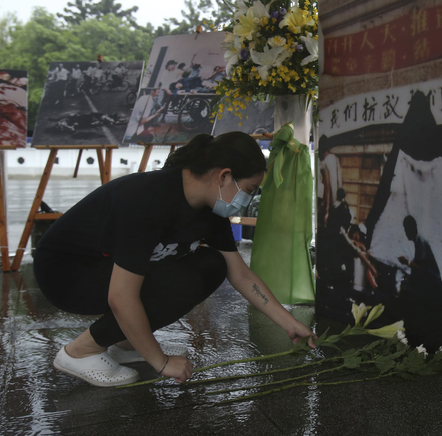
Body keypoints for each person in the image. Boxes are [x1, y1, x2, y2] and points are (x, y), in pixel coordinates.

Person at [32, 132, 317, 387]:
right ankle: (80, 351)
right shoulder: (149, 199)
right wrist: (161, 361)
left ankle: (123, 342)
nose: (249, 198)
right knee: (178, 281)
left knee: (211, 264)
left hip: (106, 271)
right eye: (251, 189)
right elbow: (121, 296)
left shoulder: (210, 206)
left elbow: (240, 274)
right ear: (224, 176)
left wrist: (289, 323)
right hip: (67, 274)